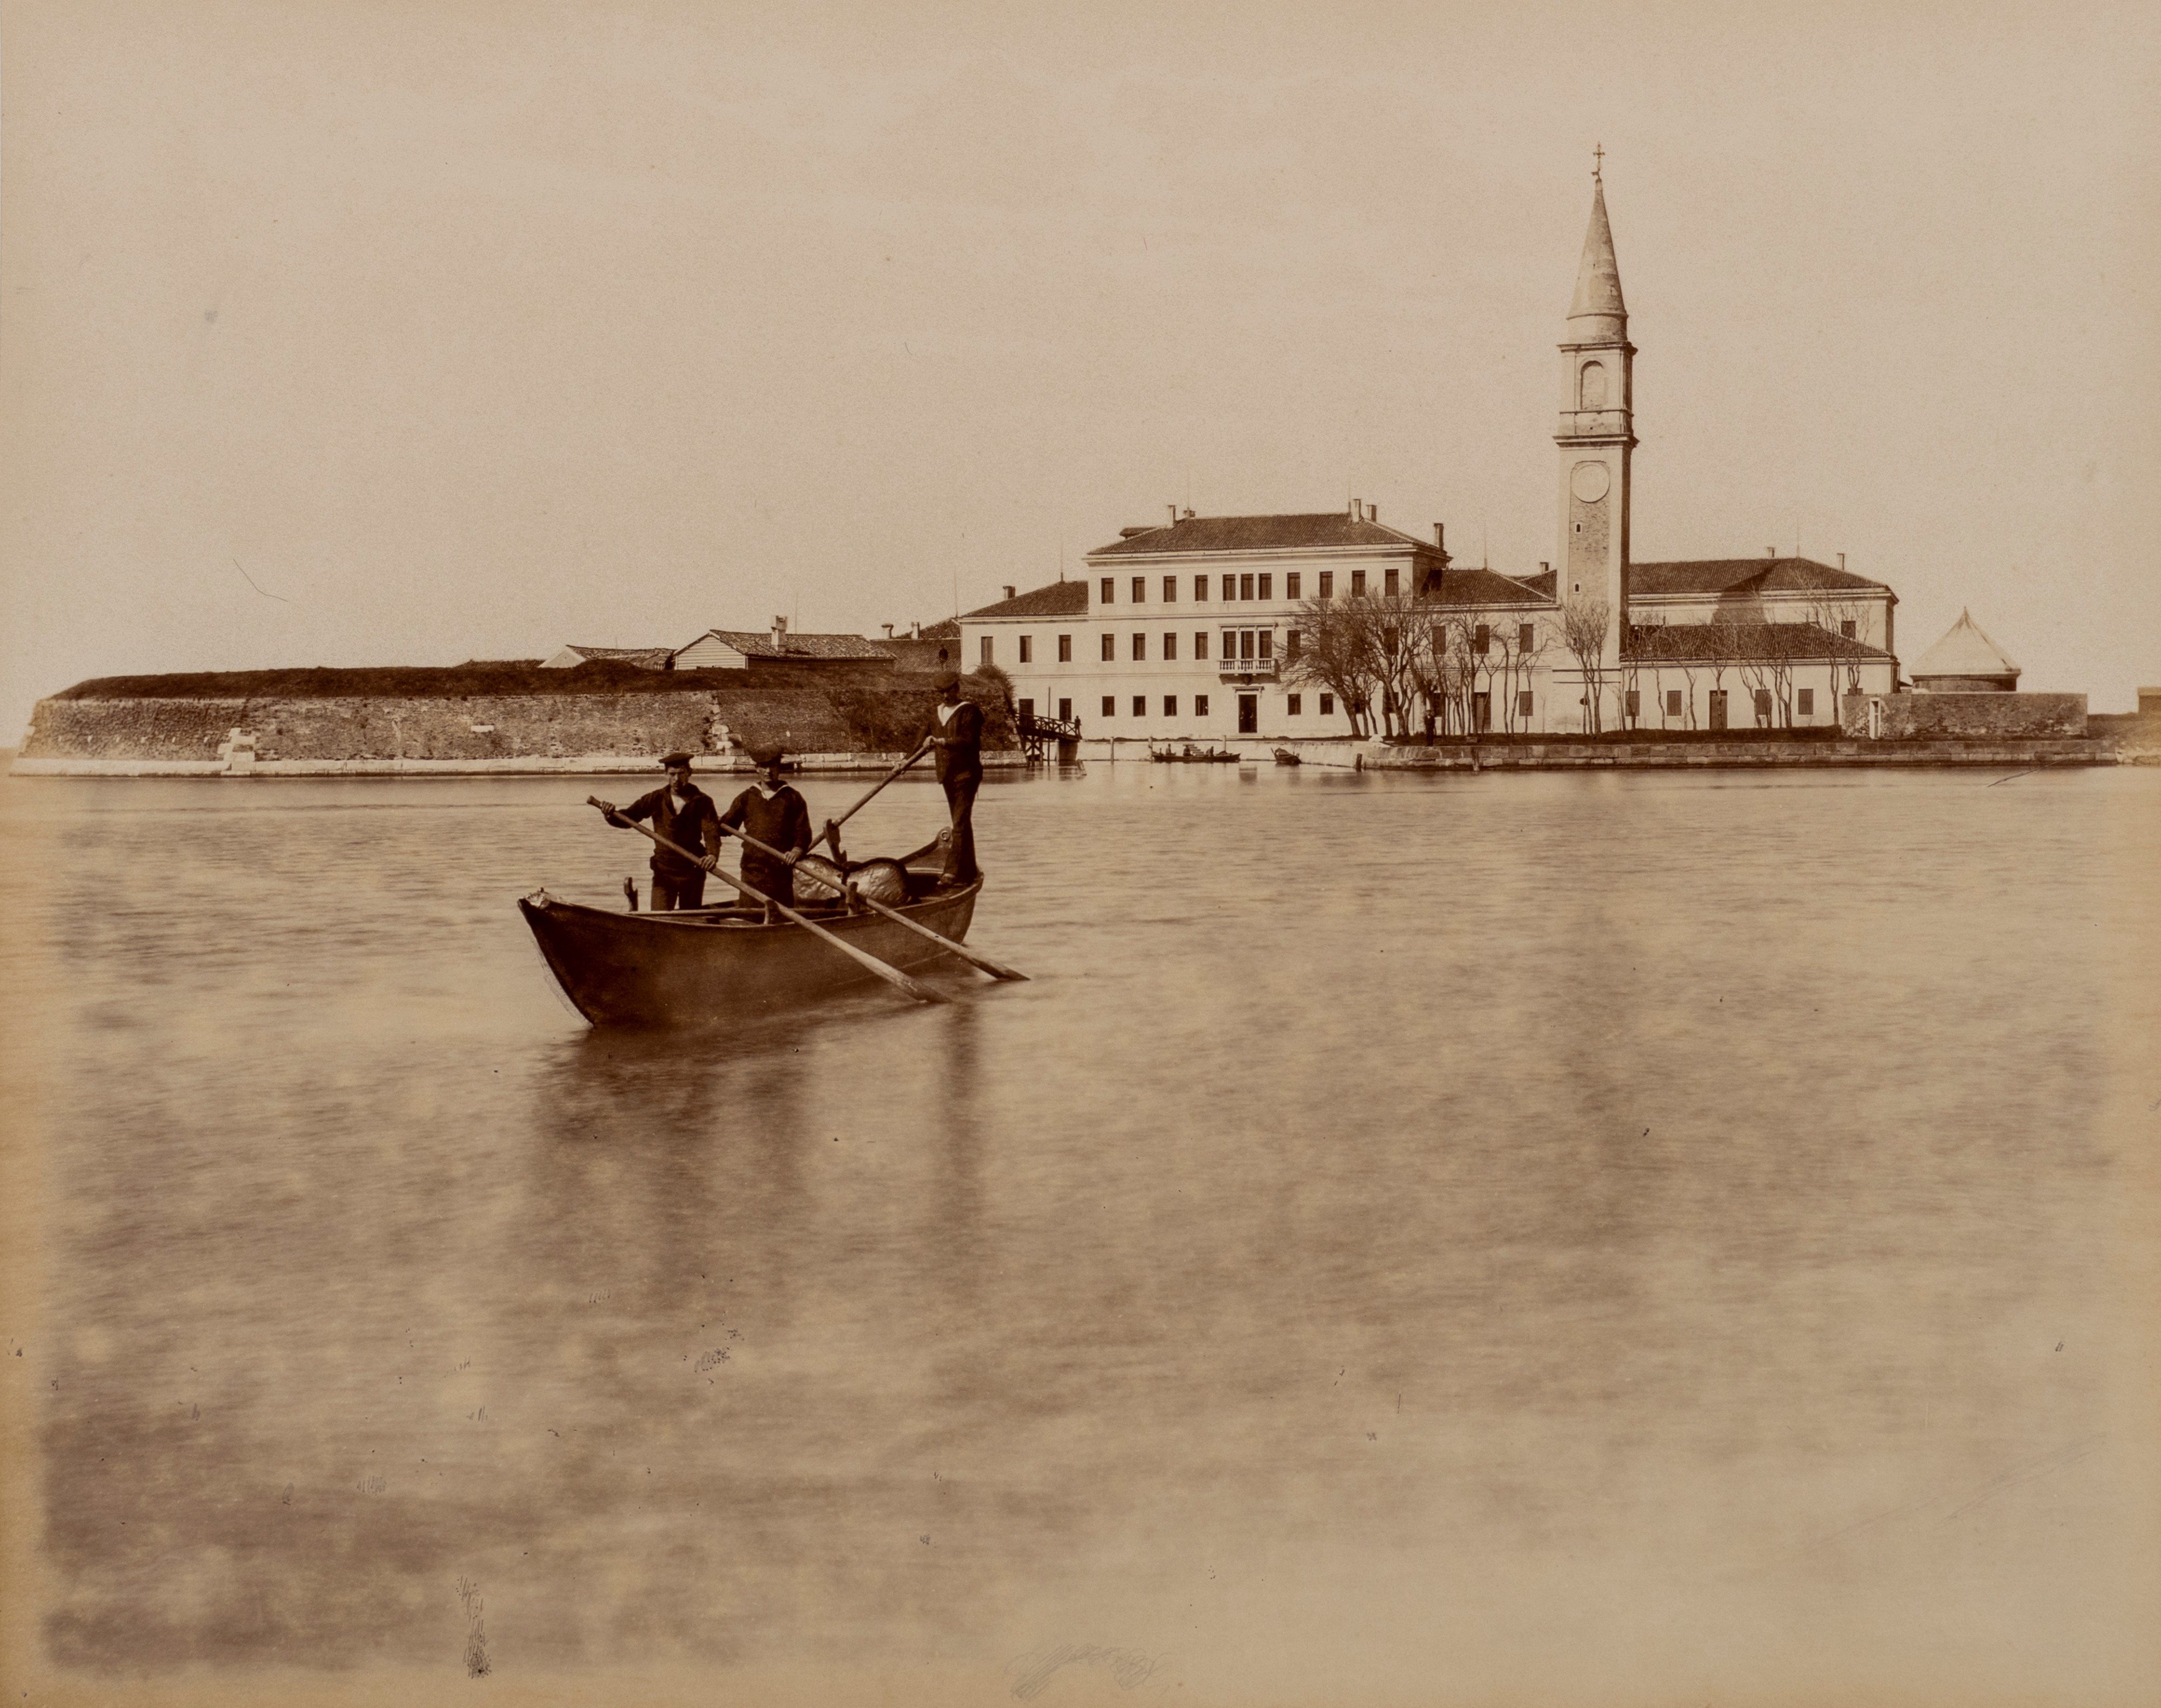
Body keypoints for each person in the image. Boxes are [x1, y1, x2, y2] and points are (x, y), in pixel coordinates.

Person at [594, 752, 723, 910]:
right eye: (672, 774)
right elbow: (629, 818)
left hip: (693, 870)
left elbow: (711, 832)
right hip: (664, 871)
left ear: (689, 773)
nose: (677, 779)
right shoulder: (656, 798)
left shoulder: (703, 801)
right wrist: (610, 814)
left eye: (681, 773)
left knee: (691, 920)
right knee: (659, 914)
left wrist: (712, 855)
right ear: (665, 774)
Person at [716, 747, 813, 921]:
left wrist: (797, 850)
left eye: (773, 766)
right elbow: (726, 827)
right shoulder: (746, 798)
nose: (768, 771)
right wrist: (710, 821)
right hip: (753, 870)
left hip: (781, 870)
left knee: (782, 918)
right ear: (757, 769)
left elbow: (803, 831)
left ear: (779, 768)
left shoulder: (792, 798)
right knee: (750, 916)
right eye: (764, 767)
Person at [924, 669, 983, 887]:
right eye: (941, 693)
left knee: (959, 823)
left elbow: (968, 740)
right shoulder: (935, 712)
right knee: (962, 823)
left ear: (957, 689)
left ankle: (951, 872)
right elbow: (921, 738)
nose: (946, 697)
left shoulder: (970, 712)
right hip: (947, 775)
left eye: (949, 692)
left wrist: (941, 742)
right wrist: (903, 762)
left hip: (967, 774)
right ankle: (967, 871)